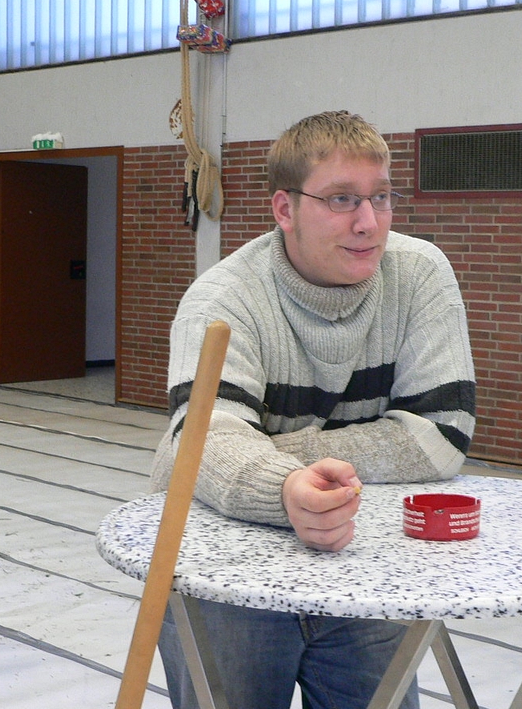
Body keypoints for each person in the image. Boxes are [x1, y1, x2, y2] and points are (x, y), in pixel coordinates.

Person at [150, 110, 477, 709]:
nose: (368, 221)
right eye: (341, 199)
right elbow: (204, 444)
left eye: (381, 197)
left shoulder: (420, 275)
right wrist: (284, 491)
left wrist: (277, 458)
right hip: (224, 578)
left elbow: (441, 437)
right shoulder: (222, 301)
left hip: (363, 562)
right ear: (285, 209)